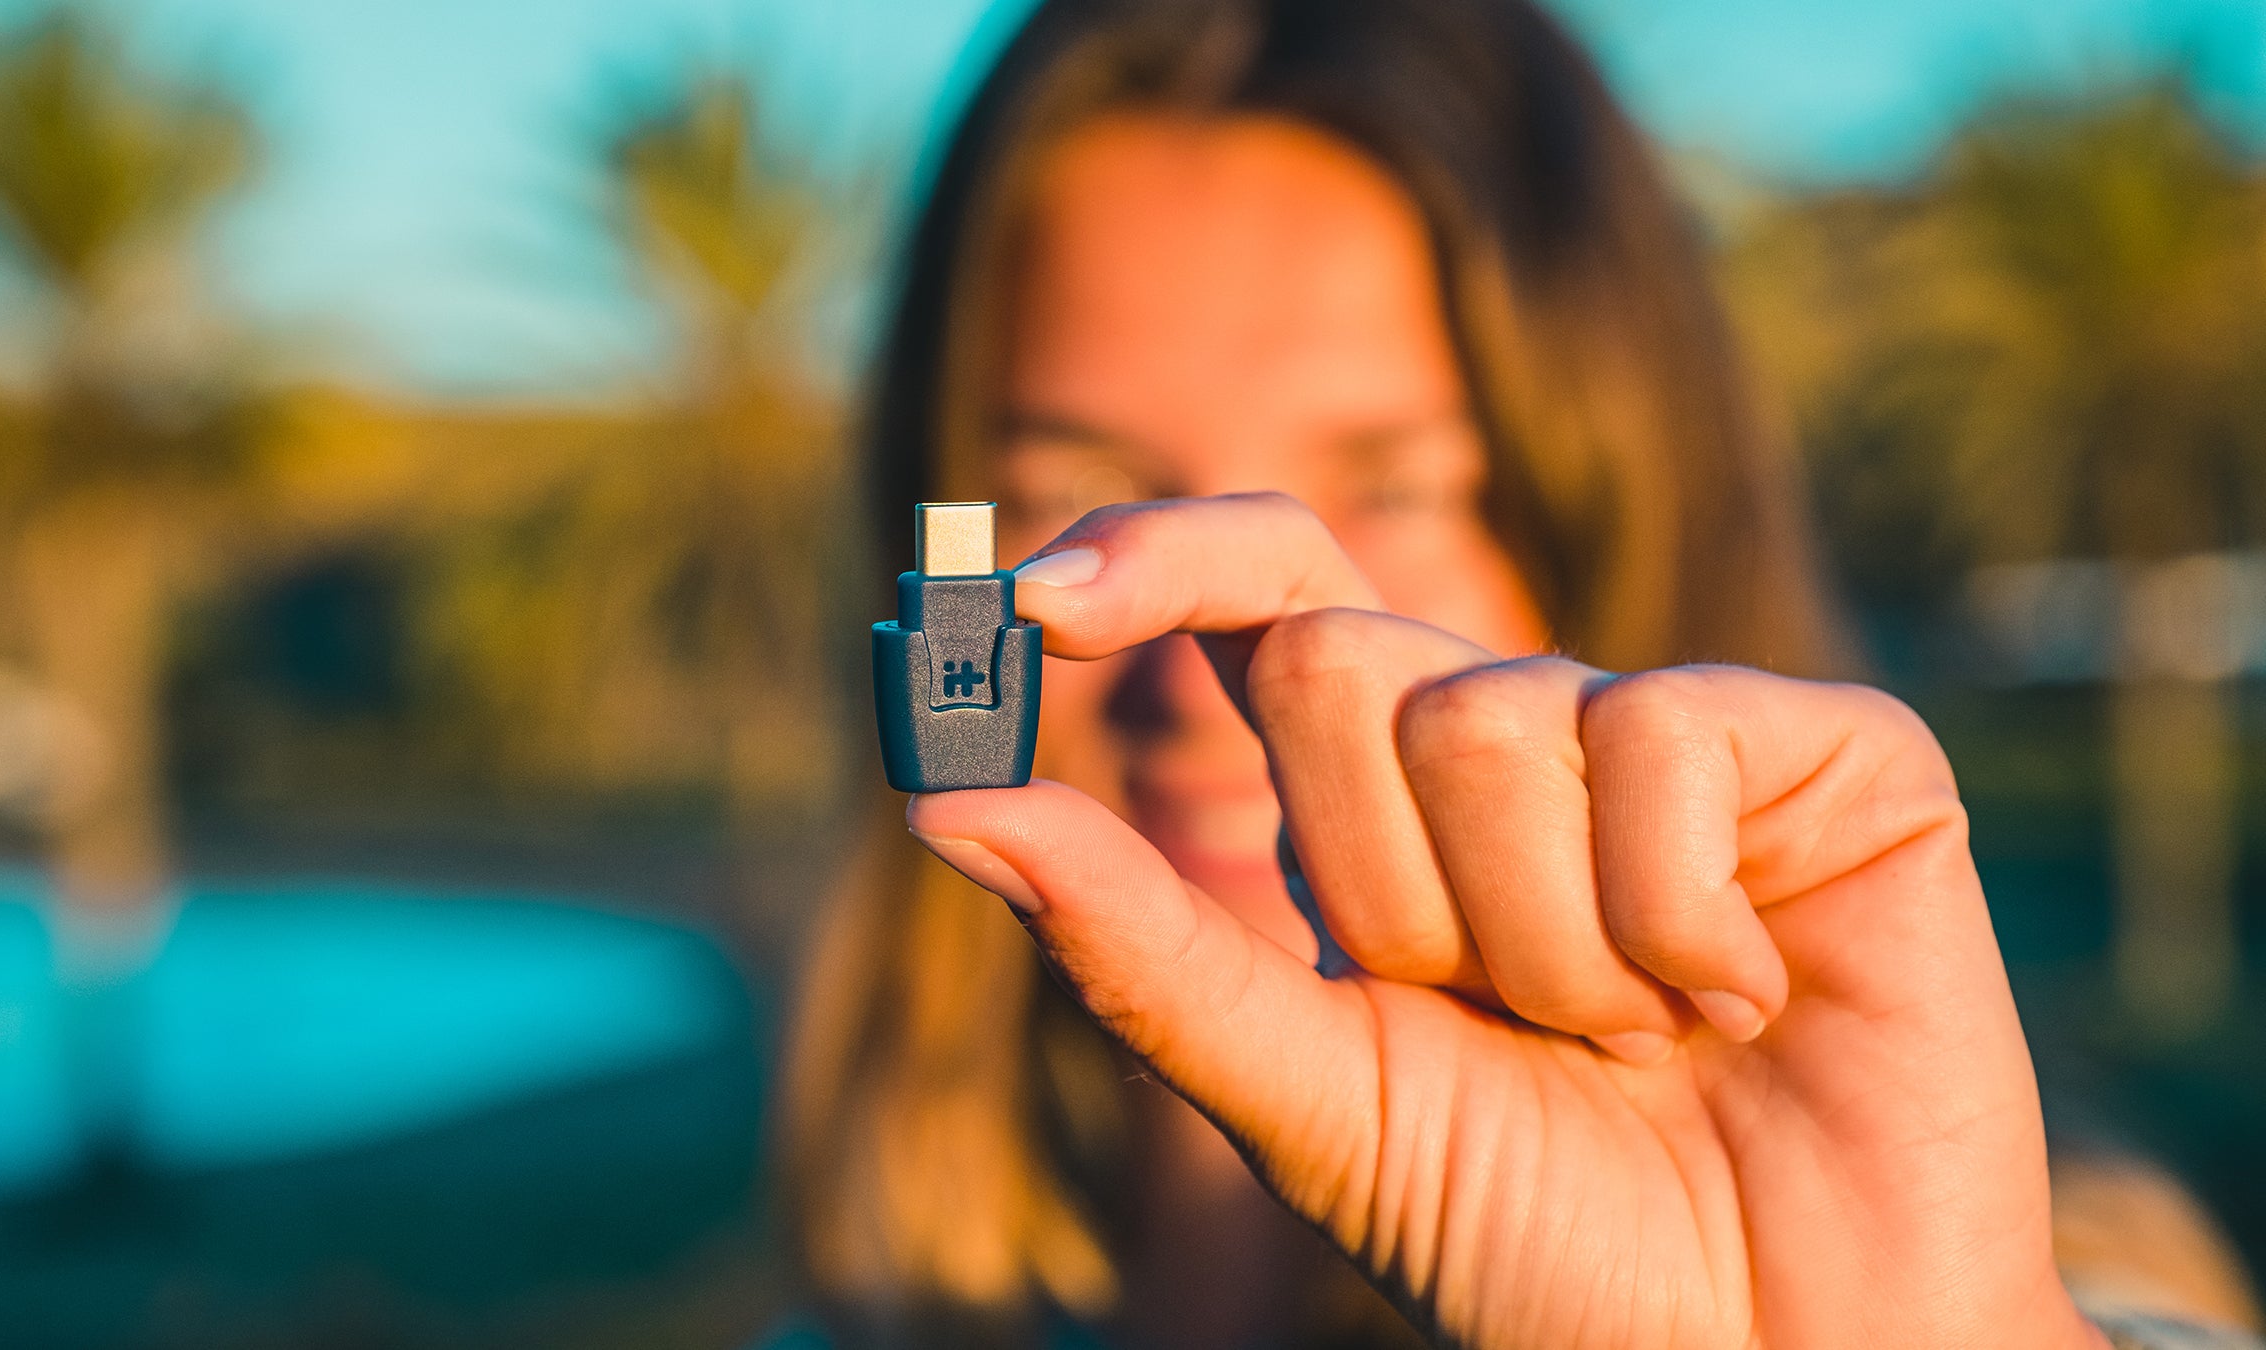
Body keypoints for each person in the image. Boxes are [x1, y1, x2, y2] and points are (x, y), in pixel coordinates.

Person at [779, 1, 2263, 1346]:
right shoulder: (863, 1314)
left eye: (1405, 487)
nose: (1214, 662)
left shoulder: (2011, 1273)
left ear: (1620, 523)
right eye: (1082, 484)